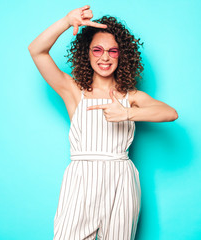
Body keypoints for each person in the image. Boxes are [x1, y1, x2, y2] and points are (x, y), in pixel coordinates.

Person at [28, 5, 178, 240]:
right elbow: (37, 51)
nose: (105, 57)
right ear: (86, 53)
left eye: (113, 51)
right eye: (97, 50)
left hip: (121, 180)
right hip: (81, 180)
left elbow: (169, 113)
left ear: (122, 55)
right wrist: (67, 21)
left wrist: (126, 113)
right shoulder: (74, 91)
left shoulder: (132, 96)